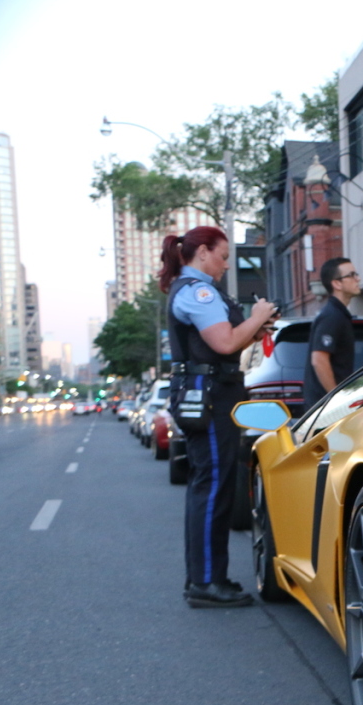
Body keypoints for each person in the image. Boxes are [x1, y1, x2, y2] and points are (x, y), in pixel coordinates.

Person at [162, 226, 277, 608]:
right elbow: (225, 342)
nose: (226, 264)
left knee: (209, 487)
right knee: (212, 488)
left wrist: (255, 327)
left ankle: (205, 577)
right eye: (223, 256)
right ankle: (207, 582)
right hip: (209, 397)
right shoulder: (199, 291)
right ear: (202, 254)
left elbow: (227, 339)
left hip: (210, 393)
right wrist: (257, 314)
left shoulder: (195, 289)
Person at [303, 257, 360, 409]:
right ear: (336, 284)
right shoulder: (332, 316)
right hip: (325, 410)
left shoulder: (339, 315)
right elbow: (319, 359)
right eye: (352, 275)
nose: (358, 279)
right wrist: (336, 398)